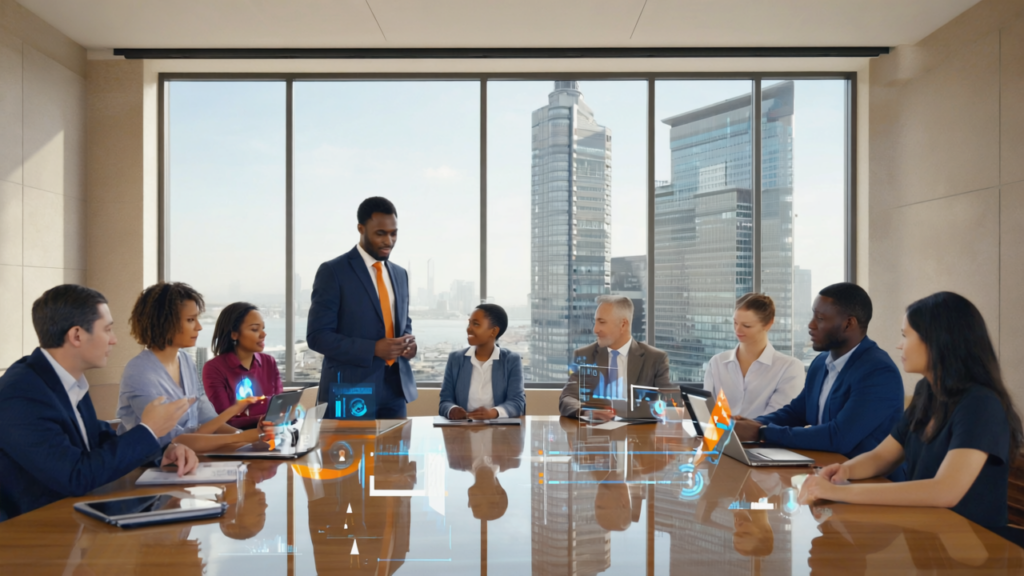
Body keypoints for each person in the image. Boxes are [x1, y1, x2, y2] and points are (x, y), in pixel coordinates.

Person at [799, 292, 1024, 529]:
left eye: (905, 336)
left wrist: (841, 492)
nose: (899, 344)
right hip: (929, 533)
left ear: (937, 340)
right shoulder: (927, 390)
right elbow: (883, 456)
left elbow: (944, 491)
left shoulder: (981, 404)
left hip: (973, 543)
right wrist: (843, 470)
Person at [0, 285, 198, 520]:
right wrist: (149, 430)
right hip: (29, 534)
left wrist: (163, 452)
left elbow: (94, 437)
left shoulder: (63, 379)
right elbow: (75, 476)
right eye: (107, 330)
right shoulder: (21, 394)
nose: (114, 340)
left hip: (72, 520)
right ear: (77, 335)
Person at [732, 283, 904, 461]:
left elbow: (838, 437)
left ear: (848, 323)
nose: (811, 325)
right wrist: (753, 423)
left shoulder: (878, 371)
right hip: (826, 472)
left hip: (871, 483)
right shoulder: (821, 363)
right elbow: (796, 413)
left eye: (820, 318)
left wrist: (762, 432)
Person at [116, 282, 271, 453]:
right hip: (149, 466)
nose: (199, 327)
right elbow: (172, 441)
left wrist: (247, 439)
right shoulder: (139, 372)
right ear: (165, 322)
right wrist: (240, 438)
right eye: (190, 320)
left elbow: (208, 418)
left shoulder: (185, 360)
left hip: (189, 459)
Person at [307, 196, 417, 418]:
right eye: (380, 233)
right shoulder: (334, 272)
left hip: (395, 389)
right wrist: (373, 349)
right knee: (351, 452)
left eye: (393, 233)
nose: (389, 241)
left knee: (397, 453)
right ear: (361, 229)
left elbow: (403, 323)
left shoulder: (400, 274)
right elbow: (317, 336)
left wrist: (408, 344)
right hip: (350, 389)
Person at [559, 295, 670, 421]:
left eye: (602, 322)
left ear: (623, 324)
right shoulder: (585, 355)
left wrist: (620, 413)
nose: (595, 329)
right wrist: (586, 412)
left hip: (639, 436)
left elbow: (666, 403)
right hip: (597, 434)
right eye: (595, 322)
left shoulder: (655, 359)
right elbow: (567, 398)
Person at [703, 293, 804, 419]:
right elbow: (705, 412)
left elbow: (778, 418)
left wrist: (738, 428)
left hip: (764, 438)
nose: (738, 330)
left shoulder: (789, 367)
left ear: (768, 324)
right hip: (719, 436)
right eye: (735, 323)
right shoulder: (717, 362)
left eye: (747, 326)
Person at [202, 303, 284, 429]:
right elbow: (224, 419)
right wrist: (264, 419)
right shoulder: (214, 368)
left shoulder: (269, 362)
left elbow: (279, 405)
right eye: (255, 329)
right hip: (235, 439)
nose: (263, 334)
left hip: (272, 433)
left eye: (263, 328)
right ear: (234, 334)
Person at [439, 303, 526, 420]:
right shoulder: (455, 359)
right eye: (469, 323)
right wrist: (452, 410)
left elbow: (517, 403)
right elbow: (445, 401)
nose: (468, 329)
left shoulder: (511, 360)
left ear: (494, 331)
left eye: (475, 324)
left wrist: (492, 413)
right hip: (462, 430)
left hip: (500, 432)